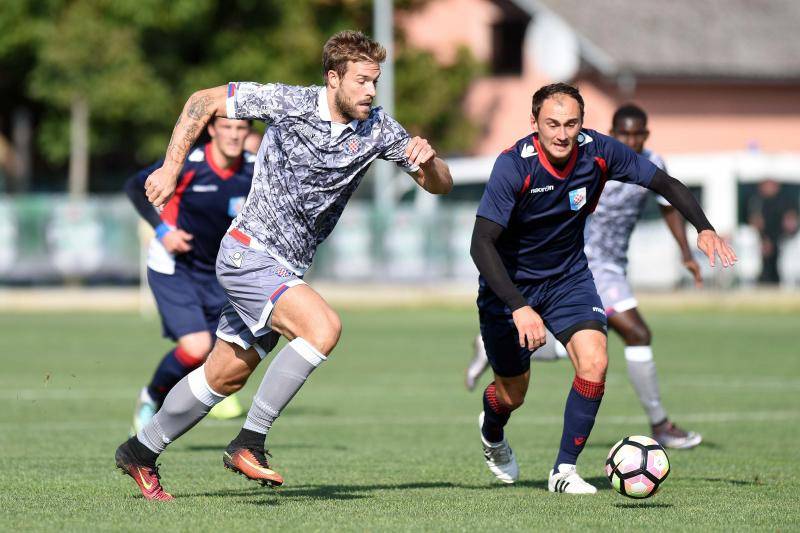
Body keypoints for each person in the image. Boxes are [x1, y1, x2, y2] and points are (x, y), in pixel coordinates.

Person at [115, 30, 452, 501]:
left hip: (286, 268)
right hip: (247, 252)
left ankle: (139, 451)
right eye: (361, 81)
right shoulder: (289, 102)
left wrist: (429, 159)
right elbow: (203, 100)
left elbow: (439, 186)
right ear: (332, 79)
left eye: (375, 81)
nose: (371, 91)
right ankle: (249, 441)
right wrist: (171, 168)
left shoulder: (379, 129)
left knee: (223, 376)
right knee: (322, 328)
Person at [471, 83, 735, 494]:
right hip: (509, 289)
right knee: (512, 394)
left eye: (571, 124)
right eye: (552, 124)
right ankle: (492, 433)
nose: (562, 134)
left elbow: (663, 183)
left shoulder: (599, 151)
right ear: (534, 123)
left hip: (569, 278)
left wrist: (704, 228)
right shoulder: (513, 167)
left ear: (582, 123)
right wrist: (519, 306)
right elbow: (481, 243)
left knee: (594, 361)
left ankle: (564, 470)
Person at [124, 116, 254, 435]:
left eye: (241, 129)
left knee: (224, 354)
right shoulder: (190, 162)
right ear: (212, 130)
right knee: (197, 347)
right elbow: (135, 187)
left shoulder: (254, 169)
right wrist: (163, 230)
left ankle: (194, 402)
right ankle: (151, 398)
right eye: (227, 128)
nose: (234, 135)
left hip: (220, 274)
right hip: (174, 267)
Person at [748, 179, 799, 284]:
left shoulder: (786, 199)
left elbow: (790, 221)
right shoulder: (757, 200)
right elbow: (756, 221)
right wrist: (763, 239)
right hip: (764, 238)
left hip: (782, 239)